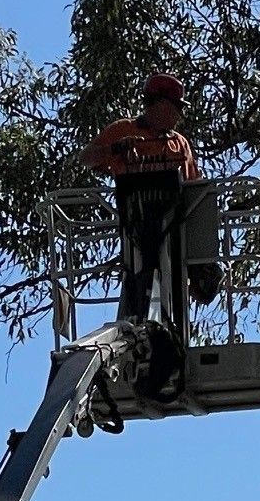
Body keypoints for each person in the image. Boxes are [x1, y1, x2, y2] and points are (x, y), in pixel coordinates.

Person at [82, 75, 219, 402]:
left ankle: (168, 346)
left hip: (174, 233)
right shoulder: (123, 131)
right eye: (174, 107)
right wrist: (116, 148)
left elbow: (193, 189)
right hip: (139, 230)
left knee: (188, 279)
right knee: (145, 285)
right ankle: (151, 347)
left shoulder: (178, 144)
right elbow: (87, 158)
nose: (178, 115)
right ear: (156, 103)